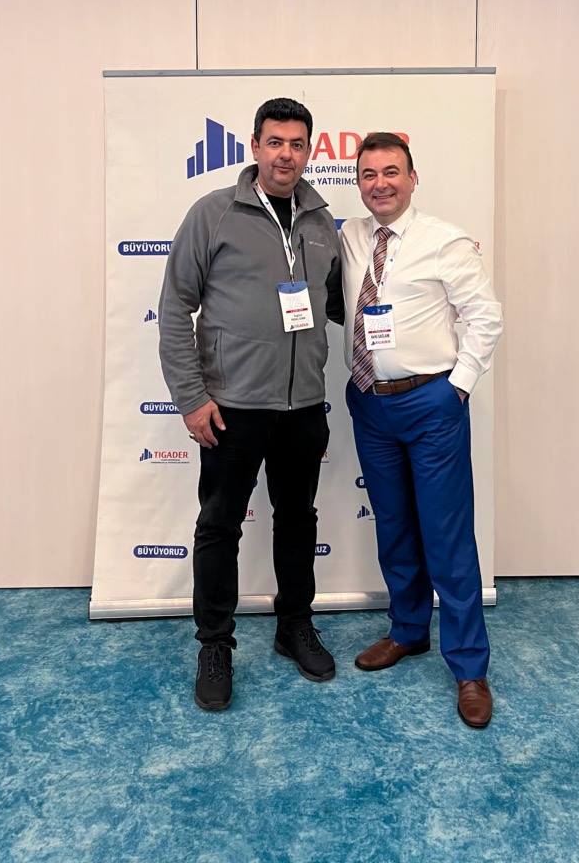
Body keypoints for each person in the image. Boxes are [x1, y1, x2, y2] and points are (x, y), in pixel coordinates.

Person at [158, 97, 343, 711]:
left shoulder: (322, 222)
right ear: (255, 147)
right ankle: (215, 644)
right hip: (231, 408)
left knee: (297, 520)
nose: (286, 154)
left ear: (309, 150)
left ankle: (295, 625)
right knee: (219, 527)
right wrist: (191, 398)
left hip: (303, 405)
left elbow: (338, 302)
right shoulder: (214, 214)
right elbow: (175, 308)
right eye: (275, 142)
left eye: (297, 143)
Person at [340, 132, 503, 729]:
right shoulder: (350, 236)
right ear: (358, 183)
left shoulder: (444, 241)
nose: (380, 183)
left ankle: (469, 667)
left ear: (413, 178)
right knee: (394, 526)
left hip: (431, 402)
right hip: (369, 403)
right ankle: (408, 630)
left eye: (392, 172)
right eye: (369, 174)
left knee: (447, 536)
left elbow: (485, 317)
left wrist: (458, 386)